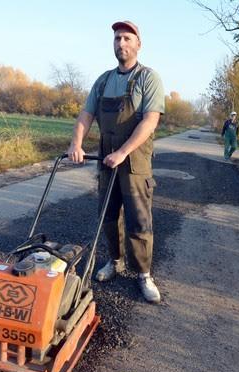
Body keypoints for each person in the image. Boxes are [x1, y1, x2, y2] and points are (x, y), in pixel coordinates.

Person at [67, 20, 165, 303]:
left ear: (138, 44)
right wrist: (76, 143)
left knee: (138, 220)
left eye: (126, 38)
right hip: (107, 161)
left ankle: (143, 274)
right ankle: (115, 260)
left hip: (135, 162)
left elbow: (150, 121)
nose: (121, 43)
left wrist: (123, 151)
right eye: (117, 39)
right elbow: (86, 115)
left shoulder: (149, 78)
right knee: (108, 217)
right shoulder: (104, 80)